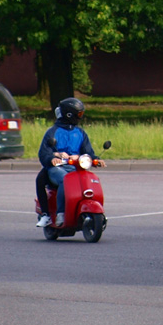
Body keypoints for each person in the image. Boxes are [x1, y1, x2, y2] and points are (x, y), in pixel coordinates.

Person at [35, 97, 101, 228]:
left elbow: (88, 151)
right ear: (69, 114)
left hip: (76, 167)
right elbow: (43, 153)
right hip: (57, 168)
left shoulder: (80, 133)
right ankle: (57, 214)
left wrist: (96, 160)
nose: (81, 116)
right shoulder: (53, 132)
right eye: (79, 114)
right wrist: (51, 158)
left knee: (91, 180)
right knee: (65, 180)